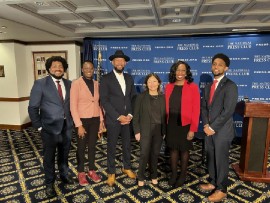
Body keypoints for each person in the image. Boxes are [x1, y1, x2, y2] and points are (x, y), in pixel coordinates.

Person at [28, 56, 74, 198]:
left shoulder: (70, 83)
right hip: (49, 128)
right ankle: (49, 183)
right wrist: (39, 127)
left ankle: (64, 175)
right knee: (49, 157)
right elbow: (33, 107)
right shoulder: (40, 84)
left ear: (64, 68)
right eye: (54, 66)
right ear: (48, 68)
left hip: (66, 127)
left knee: (64, 153)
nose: (58, 68)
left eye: (60, 66)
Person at [200, 53, 238, 202]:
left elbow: (228, 110)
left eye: (220, 64)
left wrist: (213, 127)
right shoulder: (209, 86)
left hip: (222, 131)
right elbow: (204, 108)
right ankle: (213, 181)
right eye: (214, 64)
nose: (216, 67)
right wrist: (206, 124)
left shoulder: (230, 86)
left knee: (220, 159)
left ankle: (222, 189)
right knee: (210, 157)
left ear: (226, 68)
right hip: (209, 129)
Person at [100, 50, 137, 186]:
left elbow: (133, 97)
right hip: (113, 119)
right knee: (112, 146)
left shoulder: (129, 78)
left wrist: (130, 115)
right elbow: (104, 101)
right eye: (117, 60)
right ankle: (111, 172)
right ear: (112, 62)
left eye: (122, 60)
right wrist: (118, 116)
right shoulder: (105, 79)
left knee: (127, 145)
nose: (120, 63)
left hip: (128, 119)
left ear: (125, 63)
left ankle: (126, 167)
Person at [165, 60, 200, 187]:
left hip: (186, 125)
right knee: (173, 150)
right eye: (177, 70)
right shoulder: (169, 86)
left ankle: (183, 174)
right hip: (172, 124)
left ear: (187, 72)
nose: (180, 73)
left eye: (183, 70)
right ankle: (174, 174)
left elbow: (196, 109)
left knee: (184, 150)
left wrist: (193, 129)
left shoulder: (193, 87)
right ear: (174, 72)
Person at [70, 60, 105, 186]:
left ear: (94, 70)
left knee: (92, 146)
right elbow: (73, 106)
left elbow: (98, 104)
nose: (89, 70)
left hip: (95, 119)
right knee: (81, 147)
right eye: (86, 68)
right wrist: (78, 125)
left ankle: (91, 170)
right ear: (82, 69)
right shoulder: (76, 83)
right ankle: (81, 172)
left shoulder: (96, 84)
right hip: (82, 121)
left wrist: (101, 121)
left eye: (91, 68)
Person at [133, 73, 166, 188]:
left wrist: (164, 131)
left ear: (159, 83)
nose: (152, 84)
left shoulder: (163, 97)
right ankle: (141, 176)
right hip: (145, 130)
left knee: (155, 154)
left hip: (158, 130)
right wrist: (137, 131)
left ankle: (154, 175)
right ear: (146, 84)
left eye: (154, 81)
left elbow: (165, 116)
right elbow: (136, 116)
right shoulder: (141, 97)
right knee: (144, 154)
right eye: (149, 82)